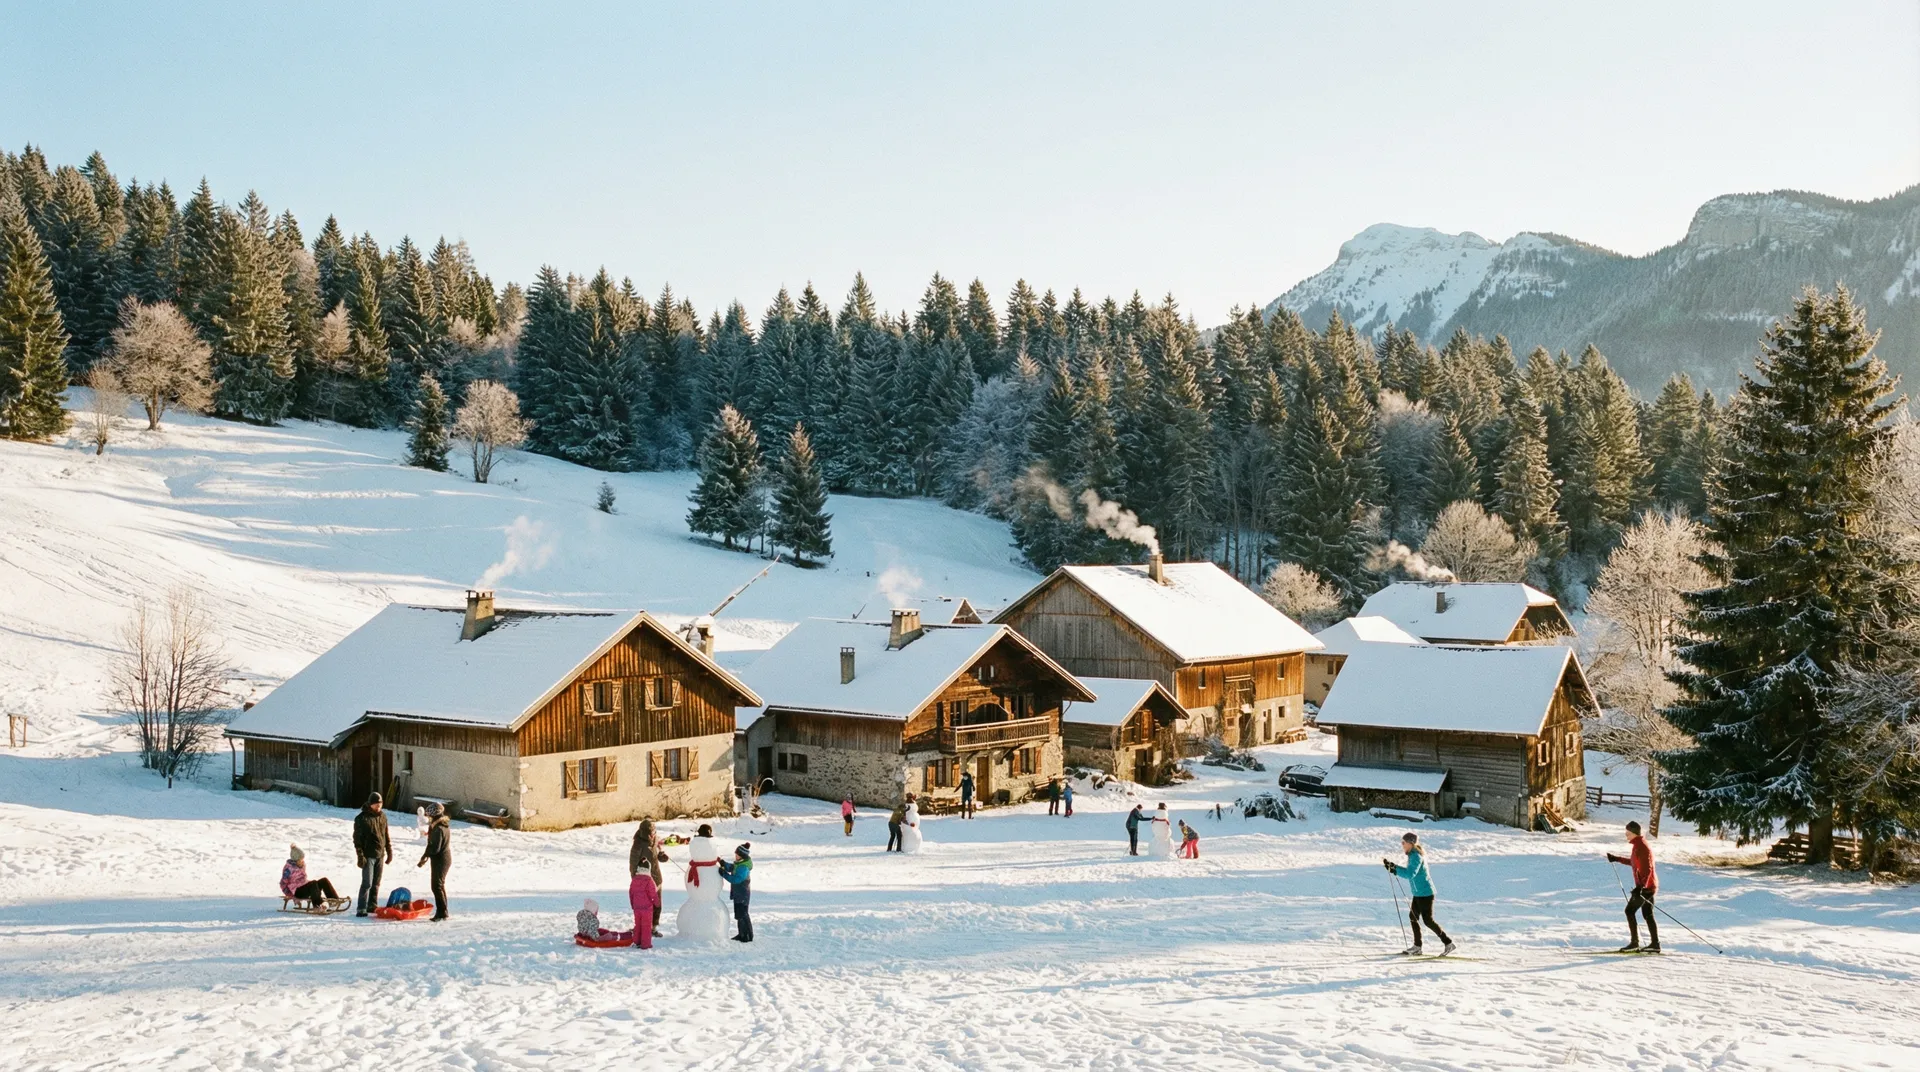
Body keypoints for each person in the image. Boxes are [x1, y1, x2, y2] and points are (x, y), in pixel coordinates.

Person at [1384, 832, 1454, 956]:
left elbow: (1410, 874)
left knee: (1428, 921)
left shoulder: (1416, 856)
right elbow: (1409, 872)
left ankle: (1448, 943)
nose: (1402, 845)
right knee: (1413, 917)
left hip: (1425, 893)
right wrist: (1394, 867)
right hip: (1419, 893)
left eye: (1403, 843)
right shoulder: (1412, 855)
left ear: (1411, 843)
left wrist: (1395, 869)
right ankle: (1417, 946)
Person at [1606, 821, 1660, 952]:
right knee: (1648, 914)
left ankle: (1635, 943)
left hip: (1646, 888)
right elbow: (1635, 863)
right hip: (1648, 886)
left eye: (1628, 833)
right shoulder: (1638, 845)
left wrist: (1641, 887)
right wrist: (1617, 859)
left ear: (1634, 833)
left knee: (1629, 911)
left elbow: (1647, 869)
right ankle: (1655, 944)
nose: (1626, 836)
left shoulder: (1641, 847)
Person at [352, 792, 393, 917]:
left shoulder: (383, 817)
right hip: (368, 855)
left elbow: (386, 835)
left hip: (380, 854)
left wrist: (389, 851)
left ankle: (372, 905)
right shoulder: (361, 819)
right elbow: (357, 840)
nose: (378, 806)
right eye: (376, 804)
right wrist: (360, 856)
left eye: (380, 804)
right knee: (367, 883)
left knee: (376, 882)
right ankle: (361, 907)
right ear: (370, 804)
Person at [279, 844, 345, 910]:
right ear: (295, 860)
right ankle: (318, 905)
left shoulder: (302, 865)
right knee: (313, 883)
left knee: (323, 881)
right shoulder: (288, 869)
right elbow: (283, 884)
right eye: (300, 860)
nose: (302, 861)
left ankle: (334, 900)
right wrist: (292, 896)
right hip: (297, 891)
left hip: (305, 886)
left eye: (302, 859)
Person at [417, 801, 452, 921]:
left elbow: (435, 848)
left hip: (441, 859)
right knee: (439, 885)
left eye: (429, 816)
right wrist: (426, 856)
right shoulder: (441, 825)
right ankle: (443, 911)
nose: (428, 818)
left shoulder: (439, 829)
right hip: (442, 858)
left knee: (436, 886)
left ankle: (442, 913)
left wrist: (426, 855)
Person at [630, 819, 666, 930]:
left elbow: (657, 854)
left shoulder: (655, 840)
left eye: (654, 832)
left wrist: (662, 856)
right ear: (645, 832)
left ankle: (654, 926)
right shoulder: (638, 844)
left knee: (657, 902)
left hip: (656, 875)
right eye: (651, 833)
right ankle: (643, 926)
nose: (654, 834)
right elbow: (633, 862)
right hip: (643, 879)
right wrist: (635, 879)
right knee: (644, 904)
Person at [717, 842, 754, 942]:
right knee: (739, 915)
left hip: (742, 893)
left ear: (741, 855)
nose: (735, 856)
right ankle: (742, 934)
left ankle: (747, 936)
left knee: (743, 915)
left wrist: (724, 874)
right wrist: (723, 863)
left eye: (737, 854)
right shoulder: (739, 864)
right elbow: (732, 867)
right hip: (738, 894)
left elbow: (736, 879)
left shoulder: (743, 867)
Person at [629, 865, 661, 949]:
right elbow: (653, 894)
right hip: (647, 909)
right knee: (646, 926)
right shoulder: (649, 880)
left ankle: (637, 942)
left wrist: (633, 904)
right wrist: (657, 903)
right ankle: (645, 944)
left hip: (637, 908)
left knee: (638, 925)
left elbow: (631, 893)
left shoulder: (634, 880)